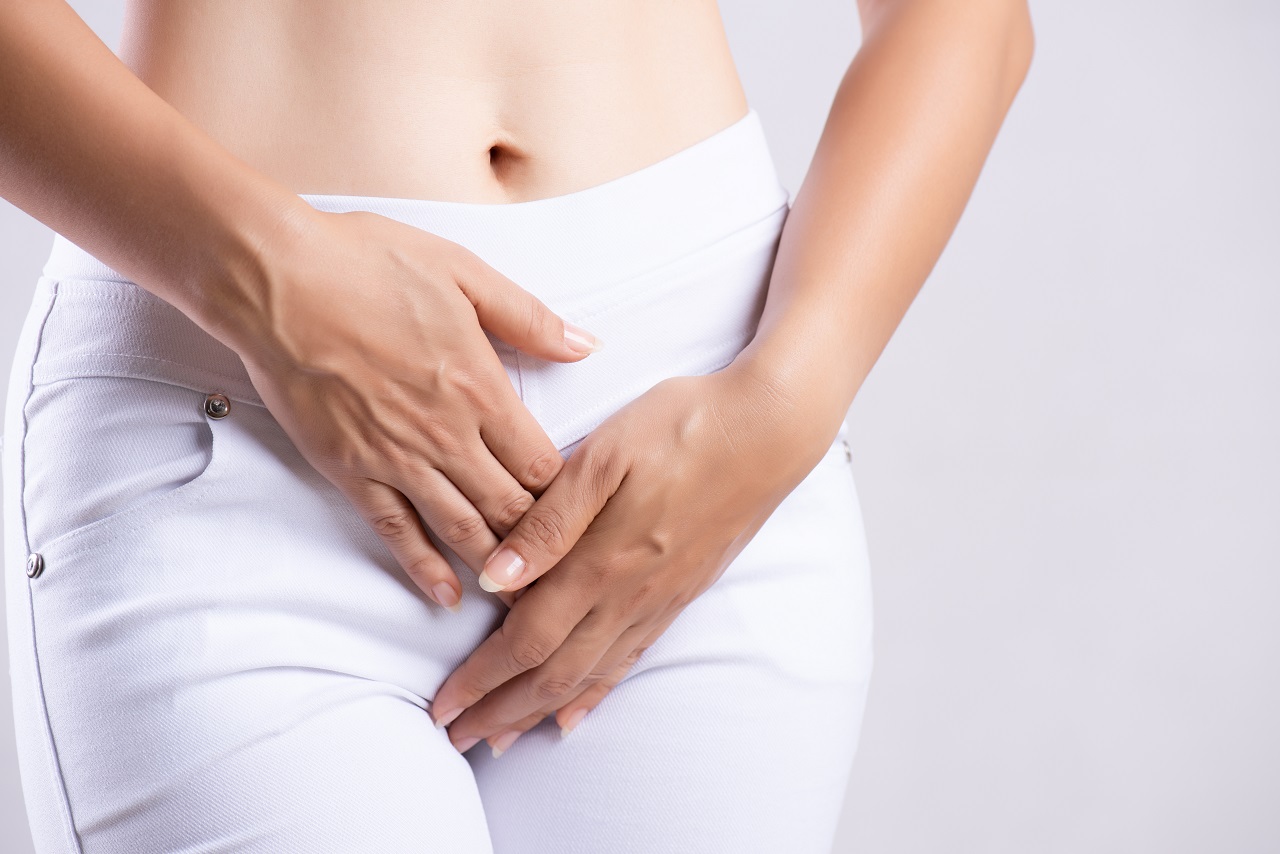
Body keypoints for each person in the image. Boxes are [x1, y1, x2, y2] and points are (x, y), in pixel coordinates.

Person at [0, 1, 1034, 851]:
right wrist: (265, 275)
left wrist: (781, 402)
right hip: (236, 415)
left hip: (702, 437)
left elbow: (967, 18)